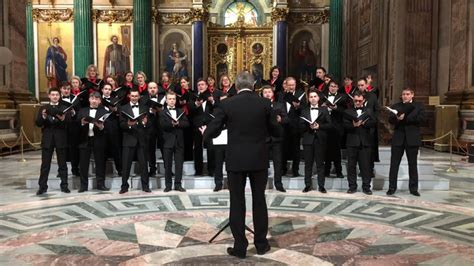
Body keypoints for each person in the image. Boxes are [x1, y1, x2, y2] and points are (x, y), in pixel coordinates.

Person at [203, 71, 280, 259]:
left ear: (236, 86)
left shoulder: (227, 103)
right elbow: (276, 131)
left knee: (237, 201)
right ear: (253, 86)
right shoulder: (264, 103)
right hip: (258, 159)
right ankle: (261, 244)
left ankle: (240, 247)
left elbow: (214, 129)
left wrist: (206, 135)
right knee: (259, 200)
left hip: (235, 160)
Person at [387, 88, 425, 196]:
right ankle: (391, 187)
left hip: (412, 139)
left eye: (407, 94)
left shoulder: (419, 106)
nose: (405, 96)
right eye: (403, 94)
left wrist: (405, 119)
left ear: (412, 95)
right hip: (398, 138)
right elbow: (390, 119)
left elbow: (422, 119)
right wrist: (397, 119)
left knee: (412, 165)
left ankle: (413, 189)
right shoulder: (396, 106)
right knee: (394, 164)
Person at [35, 87, 71, 195]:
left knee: (62, 164)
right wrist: (43, 116)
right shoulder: (43, 108)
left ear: (59, 96)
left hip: (61, 138)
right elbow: (38, 123)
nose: (55, 97)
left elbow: (69, 124)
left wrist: (63, 119)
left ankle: (64, 186)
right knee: (45, 165)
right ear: (49, 96)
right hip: (47, 139)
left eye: (57, 95)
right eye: (53, 95)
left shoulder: (64, 108)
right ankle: (42, 187)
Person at [343, 91, 376, 195]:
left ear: (364, 100)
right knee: (351, 166)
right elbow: (344, 125)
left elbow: (374, 123)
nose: (357, 102)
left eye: (359, 101)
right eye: (355, 100)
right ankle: (352, 187)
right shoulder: (348, 111)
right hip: (352, 142)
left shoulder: (369, 111)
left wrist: (364, 123)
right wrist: (354, 125)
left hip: (365, 142)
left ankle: (366, 187)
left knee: (365, 166)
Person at [119, 88, 151, 194]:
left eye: (136, 96)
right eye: (132, 96)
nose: (134, 98)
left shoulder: (144, 108)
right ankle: (124, 186)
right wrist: (128, 124)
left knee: (143, 165)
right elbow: (121, 124)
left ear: (139, 97)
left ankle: (145, 186)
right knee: (126, 165)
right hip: (128, 139)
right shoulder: (123, 108)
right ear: (129, 96)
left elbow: (149, 125)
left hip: (141, 139)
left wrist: (145, 123)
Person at [77, 91, 109, 192]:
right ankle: (83, 186)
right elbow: (75, 127)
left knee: (100, 163)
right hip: (84, 139)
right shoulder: (82, 110)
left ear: (100, 101)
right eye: (92, 98)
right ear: (89, 99)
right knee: (83, 164)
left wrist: (101, 127)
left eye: (96, 99)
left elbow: (109, 129)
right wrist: (81, 123)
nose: (94, 101)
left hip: (98, 139)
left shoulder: (104, 111)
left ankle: (101, 184)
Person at [300, 90, 332, 193]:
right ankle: (307, 185)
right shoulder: (304, 110)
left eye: (315, 96)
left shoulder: (324, 110)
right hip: (308, 139)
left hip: (320, 139)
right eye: (311, 97)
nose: (313, 98)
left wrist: (320, 126)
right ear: (308, 99)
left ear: (318, 98)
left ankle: (321, 186)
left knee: (320, 164)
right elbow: (300, 125)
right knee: (308, 164)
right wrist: (308, 126)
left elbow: (330, 125)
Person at [159, 91, 190, 192]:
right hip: (167, 141)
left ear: (176, 100)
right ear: (166, 100)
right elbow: (162, 125)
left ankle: (178, 184)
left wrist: (178, 123)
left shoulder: (181, 111)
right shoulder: (162, 112)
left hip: (179, 141)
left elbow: (186, 123)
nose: (172, 101)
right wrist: (172, 124)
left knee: (179, 164)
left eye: (173, 99)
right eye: (170, 99)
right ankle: (168, 185)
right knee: (167, 165)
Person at [279, 77, 306, 177]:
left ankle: (295, 170)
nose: (291, 87)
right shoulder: (281, 95)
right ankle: (283, 169)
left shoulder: (300, 94)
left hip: (295, 126)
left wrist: (298, 107)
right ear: (286, 85)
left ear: (295, 85)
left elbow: (305, 108)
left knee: (296, 149)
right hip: (283, 126)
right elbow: (278, 107)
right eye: (289, 85)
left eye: (293, 85)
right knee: (283, 149)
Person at [262, 85, 287, 192]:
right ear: (262, 95)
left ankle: (278, 183)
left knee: (278, 162)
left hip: (277, 138)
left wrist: (281, 119)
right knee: (262, 163)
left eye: (269, 92)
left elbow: (287, 119)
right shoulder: (260, 105)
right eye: (265, 92)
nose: (268, 94)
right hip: (264, 138)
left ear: (273, 93)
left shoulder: (279, 105)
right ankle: (262, 184)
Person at [189, 78, 216, 176]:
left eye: (202, 84)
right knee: (197, 148)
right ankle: (198, 170)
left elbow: (218, 107)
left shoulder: (212, 95)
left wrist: (212, 101)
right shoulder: (193, 96)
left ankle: (211, 170)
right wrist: (197, 104)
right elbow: (190, 109)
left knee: (211, 148)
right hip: (198, 125)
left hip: (210, 125)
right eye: (199, 85)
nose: (200, 86)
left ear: (206, 86)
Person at [321, 81, 347, 178]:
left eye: (335, 86)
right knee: (326, 149)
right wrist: (322, 107)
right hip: (325, 127)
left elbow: (345, 111)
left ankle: (338, 171)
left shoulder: (342, 97)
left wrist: (336, 108)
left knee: (336, 150)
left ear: (337, 88)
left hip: (337, 127)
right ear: (328, 87)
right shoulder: (323, 96)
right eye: (331, 86)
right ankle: (326, 171)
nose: (333, 88)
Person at [357, 77, 380, 177]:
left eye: (362, 85)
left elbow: (377, 110)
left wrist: (372, 119)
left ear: (366, 85)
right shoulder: (356, 96)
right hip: (358, 127)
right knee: (360, 150)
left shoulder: (373, 96)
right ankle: (362, 170)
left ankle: (370, 170)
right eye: (359, 85)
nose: (360, 87)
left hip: (370, 127)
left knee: (370, 150)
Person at [140, 81, 161, 177]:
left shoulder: (163, 98)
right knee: (150, 149)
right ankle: (152, 169)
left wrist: (157, 112)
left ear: (157, 89)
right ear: (148, 90)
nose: (152, 89)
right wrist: (149, 112)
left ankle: (167, 169)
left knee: (165, 148)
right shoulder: (143, 99)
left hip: (162, 126)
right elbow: (141, 112)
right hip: (149, 127)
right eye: (150, 88)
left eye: (154, 88)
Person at [101, 83, 123, 177]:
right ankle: (102, 172)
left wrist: (116, 110)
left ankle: (120, 171)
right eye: (106, 89)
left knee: (116, 151)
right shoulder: (98, 100)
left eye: (109, 89)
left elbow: (121, 112)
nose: (107, 91)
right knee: (102, 152)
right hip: (101, 129)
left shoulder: (116, 100)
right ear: (102, 90)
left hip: (113, 129)